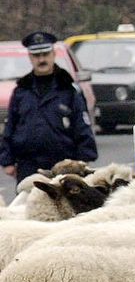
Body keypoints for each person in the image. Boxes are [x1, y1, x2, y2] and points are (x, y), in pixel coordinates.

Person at [1, 32, 97, 183]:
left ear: (53, 54)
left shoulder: (68, 89)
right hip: (28, 165)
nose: (42, 59)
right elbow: (10, 126)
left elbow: (82, 125)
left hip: (63, 164)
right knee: (28, 205)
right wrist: (7, 160)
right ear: (30, 58)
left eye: (45, 54)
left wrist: (84, 158)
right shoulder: (21, 91)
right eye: (36, 56)